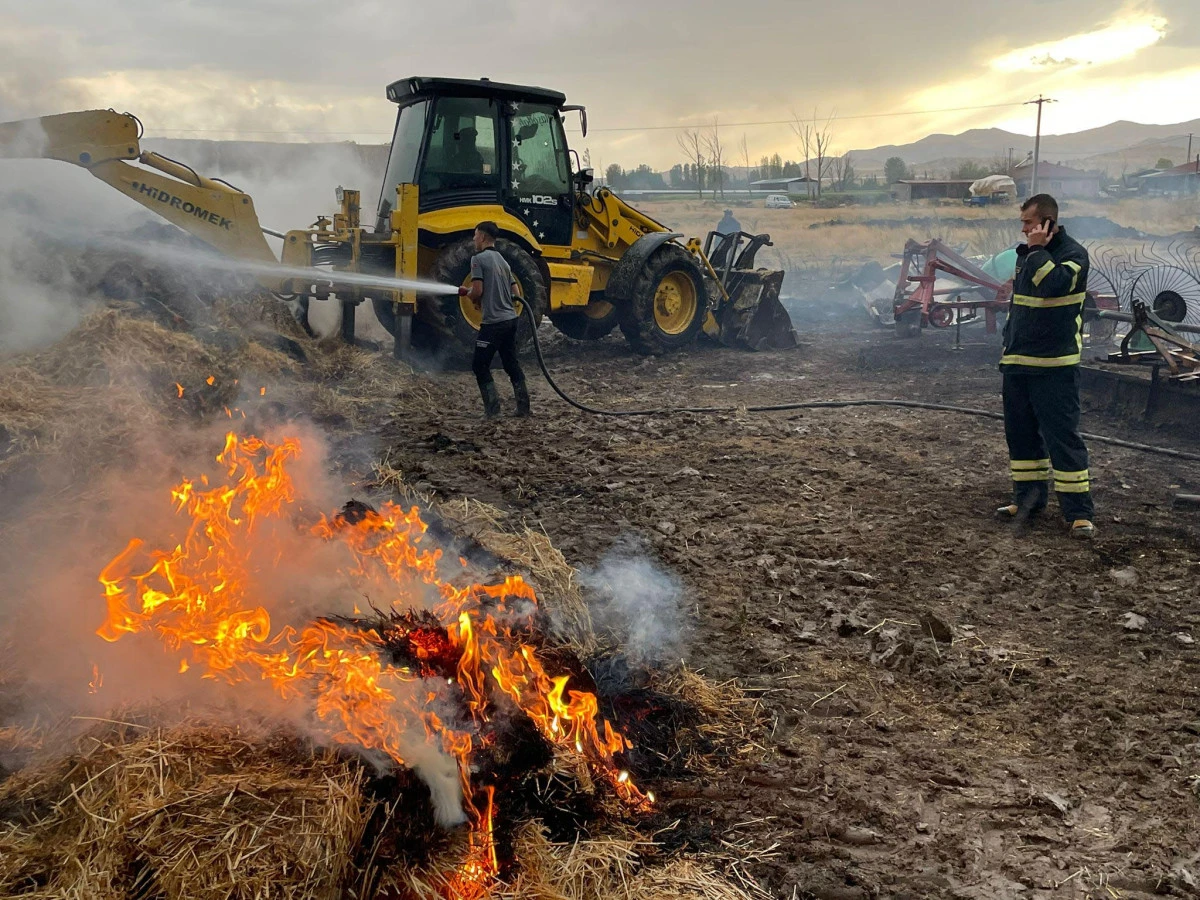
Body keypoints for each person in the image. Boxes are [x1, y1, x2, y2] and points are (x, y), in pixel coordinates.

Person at [996, 193, 1095, 538]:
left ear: (1047, 223)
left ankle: (1078, 513)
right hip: (1019, 363)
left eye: (1028, 223)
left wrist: (1038, 251)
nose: (1024, 230)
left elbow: (1054, 286)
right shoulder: (1028, 256)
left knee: (1062, 439)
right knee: (1021, 438)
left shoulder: (1073, 256)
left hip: (1054, 367)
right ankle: (1028, 501)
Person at [458, 221, 530, 418]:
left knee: (479, 365)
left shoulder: (478, 259)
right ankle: (523, 409)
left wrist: (469, 294)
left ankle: (493, 410)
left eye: (475, 235)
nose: (473, 239)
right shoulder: (503, 261)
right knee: (510, 363)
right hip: (510, 320)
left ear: (482, 237)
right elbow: (515, 293)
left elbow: (478, 290)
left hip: (494, 323)